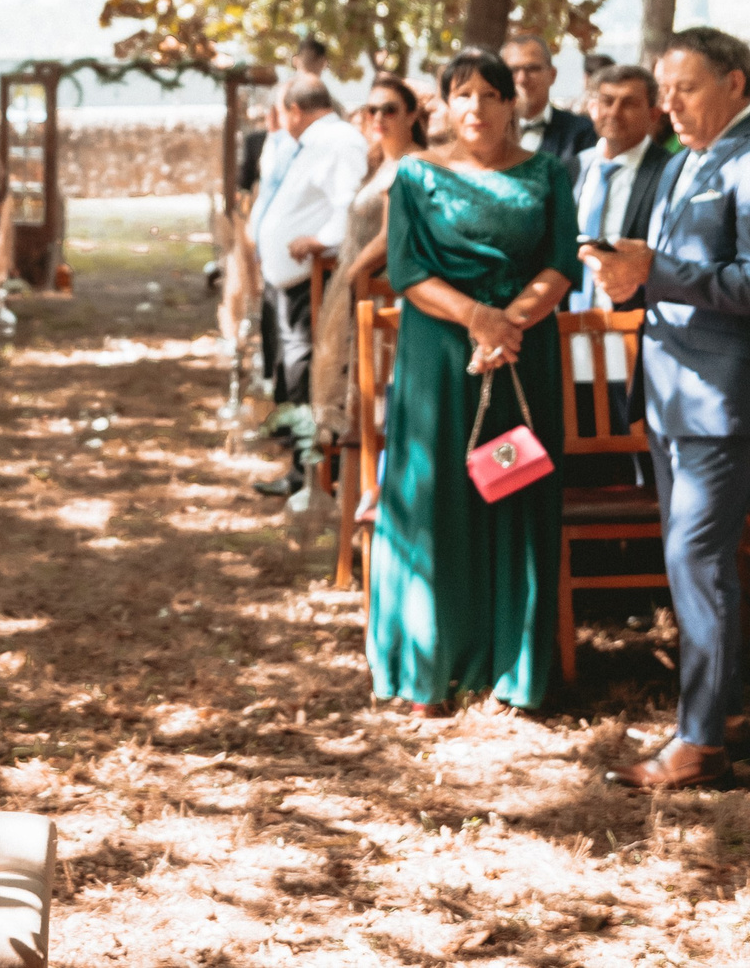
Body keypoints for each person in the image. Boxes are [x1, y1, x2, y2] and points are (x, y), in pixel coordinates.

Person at [582, 27, 750, 790]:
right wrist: (629, 278)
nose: (666, 103)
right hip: (671, 390)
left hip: (724, 395)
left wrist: (660, 271)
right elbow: (675, 277)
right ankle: (723, 714)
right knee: (692, 562)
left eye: (684, 87)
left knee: (697, 555)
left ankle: (701, 741)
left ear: (736, 83)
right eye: (663, 88)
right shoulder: (686, 161)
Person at [365, 51, 580, 714]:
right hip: (439, 355)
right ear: (443, 105)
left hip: (522, 354)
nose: (477, 108)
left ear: (515, 103)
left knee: (514, 487)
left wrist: (508, 325)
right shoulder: (414, 174)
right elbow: (405, 269)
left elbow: (562, 262)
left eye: (492, 94)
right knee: (436, 499)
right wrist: (477, 319)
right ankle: (428, 667)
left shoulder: (549, 173)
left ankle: (514, 667)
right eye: (463, 94)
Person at [247, 75, 368, 499]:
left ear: (296, 110)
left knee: (307, 376)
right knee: (291, 374)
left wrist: (321, 241)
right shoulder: (314, 141)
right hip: (290, 281)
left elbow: (347, 204)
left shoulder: (338, 141)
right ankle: (299, 465)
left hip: (312, 281)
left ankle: (309, 473)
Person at [311, 75, 425, 446]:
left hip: (379, 287)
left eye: (389, 109)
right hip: (353, 279)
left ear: (411, 115)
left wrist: (352, 274)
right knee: (341, 383)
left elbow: (392, 235)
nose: (379, 116)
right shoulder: (378, 160)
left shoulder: (412, 163)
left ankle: (369, 491)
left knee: (370, 391)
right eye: (372, 109)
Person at [571, 64, 671, 310]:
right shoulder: (571, 168)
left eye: (629, 103)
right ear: (592, 108)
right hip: (571, 322)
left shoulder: (671, 171)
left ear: (654, 113)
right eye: (607, 101)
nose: (614, 112)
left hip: (640, 321)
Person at [501, 33, 596, 161]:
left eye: (532, 69)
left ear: (552, 75)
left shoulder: (581, 132)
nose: (522, 79)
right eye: (512, 70)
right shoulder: (486, 130)